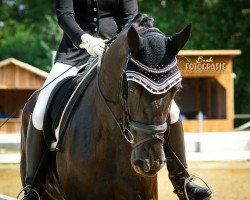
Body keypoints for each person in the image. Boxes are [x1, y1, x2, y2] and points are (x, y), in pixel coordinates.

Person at [23, 0, 212, 200]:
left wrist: (120, 44)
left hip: (118, 53)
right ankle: (33, 187)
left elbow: (130, 17)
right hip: (74, 54)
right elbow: (65, 15)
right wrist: (84, 39)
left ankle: (182, 181)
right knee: (40, 109)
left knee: (172, 110)